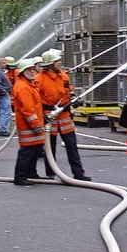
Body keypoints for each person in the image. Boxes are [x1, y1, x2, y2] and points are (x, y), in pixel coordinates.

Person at [35, 49, 91, 181]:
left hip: (64, 115)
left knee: (72, 145)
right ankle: (51, 173)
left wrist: (73, 97)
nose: (59, 63)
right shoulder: (40, 79)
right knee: (50, 146)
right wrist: (42, 115)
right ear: (50, 64)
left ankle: (78, 173)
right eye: (57, 61)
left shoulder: (63, 75)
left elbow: (69, 89)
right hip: (50, 115)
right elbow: (36, 99)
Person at [12, 59, 46, 186]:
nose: (32, 72)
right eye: (28, 70)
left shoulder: (28, 85)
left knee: (34, 151)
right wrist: (35, 124)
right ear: (22, 72)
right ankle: (20, 177)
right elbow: (27, 109)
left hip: (33, 125)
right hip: (28, 126)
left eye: (32, 69)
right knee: (26, 152)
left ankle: (32, 173)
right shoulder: (22, 87)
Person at [0, 57, 13, 136]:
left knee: (5, 111)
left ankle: (3, 128)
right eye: (4, 63)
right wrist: (4, 91)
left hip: (4, 94)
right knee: (5, 112)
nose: (5, 64)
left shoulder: (1, 72)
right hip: (3, 95)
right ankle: (2, 129)